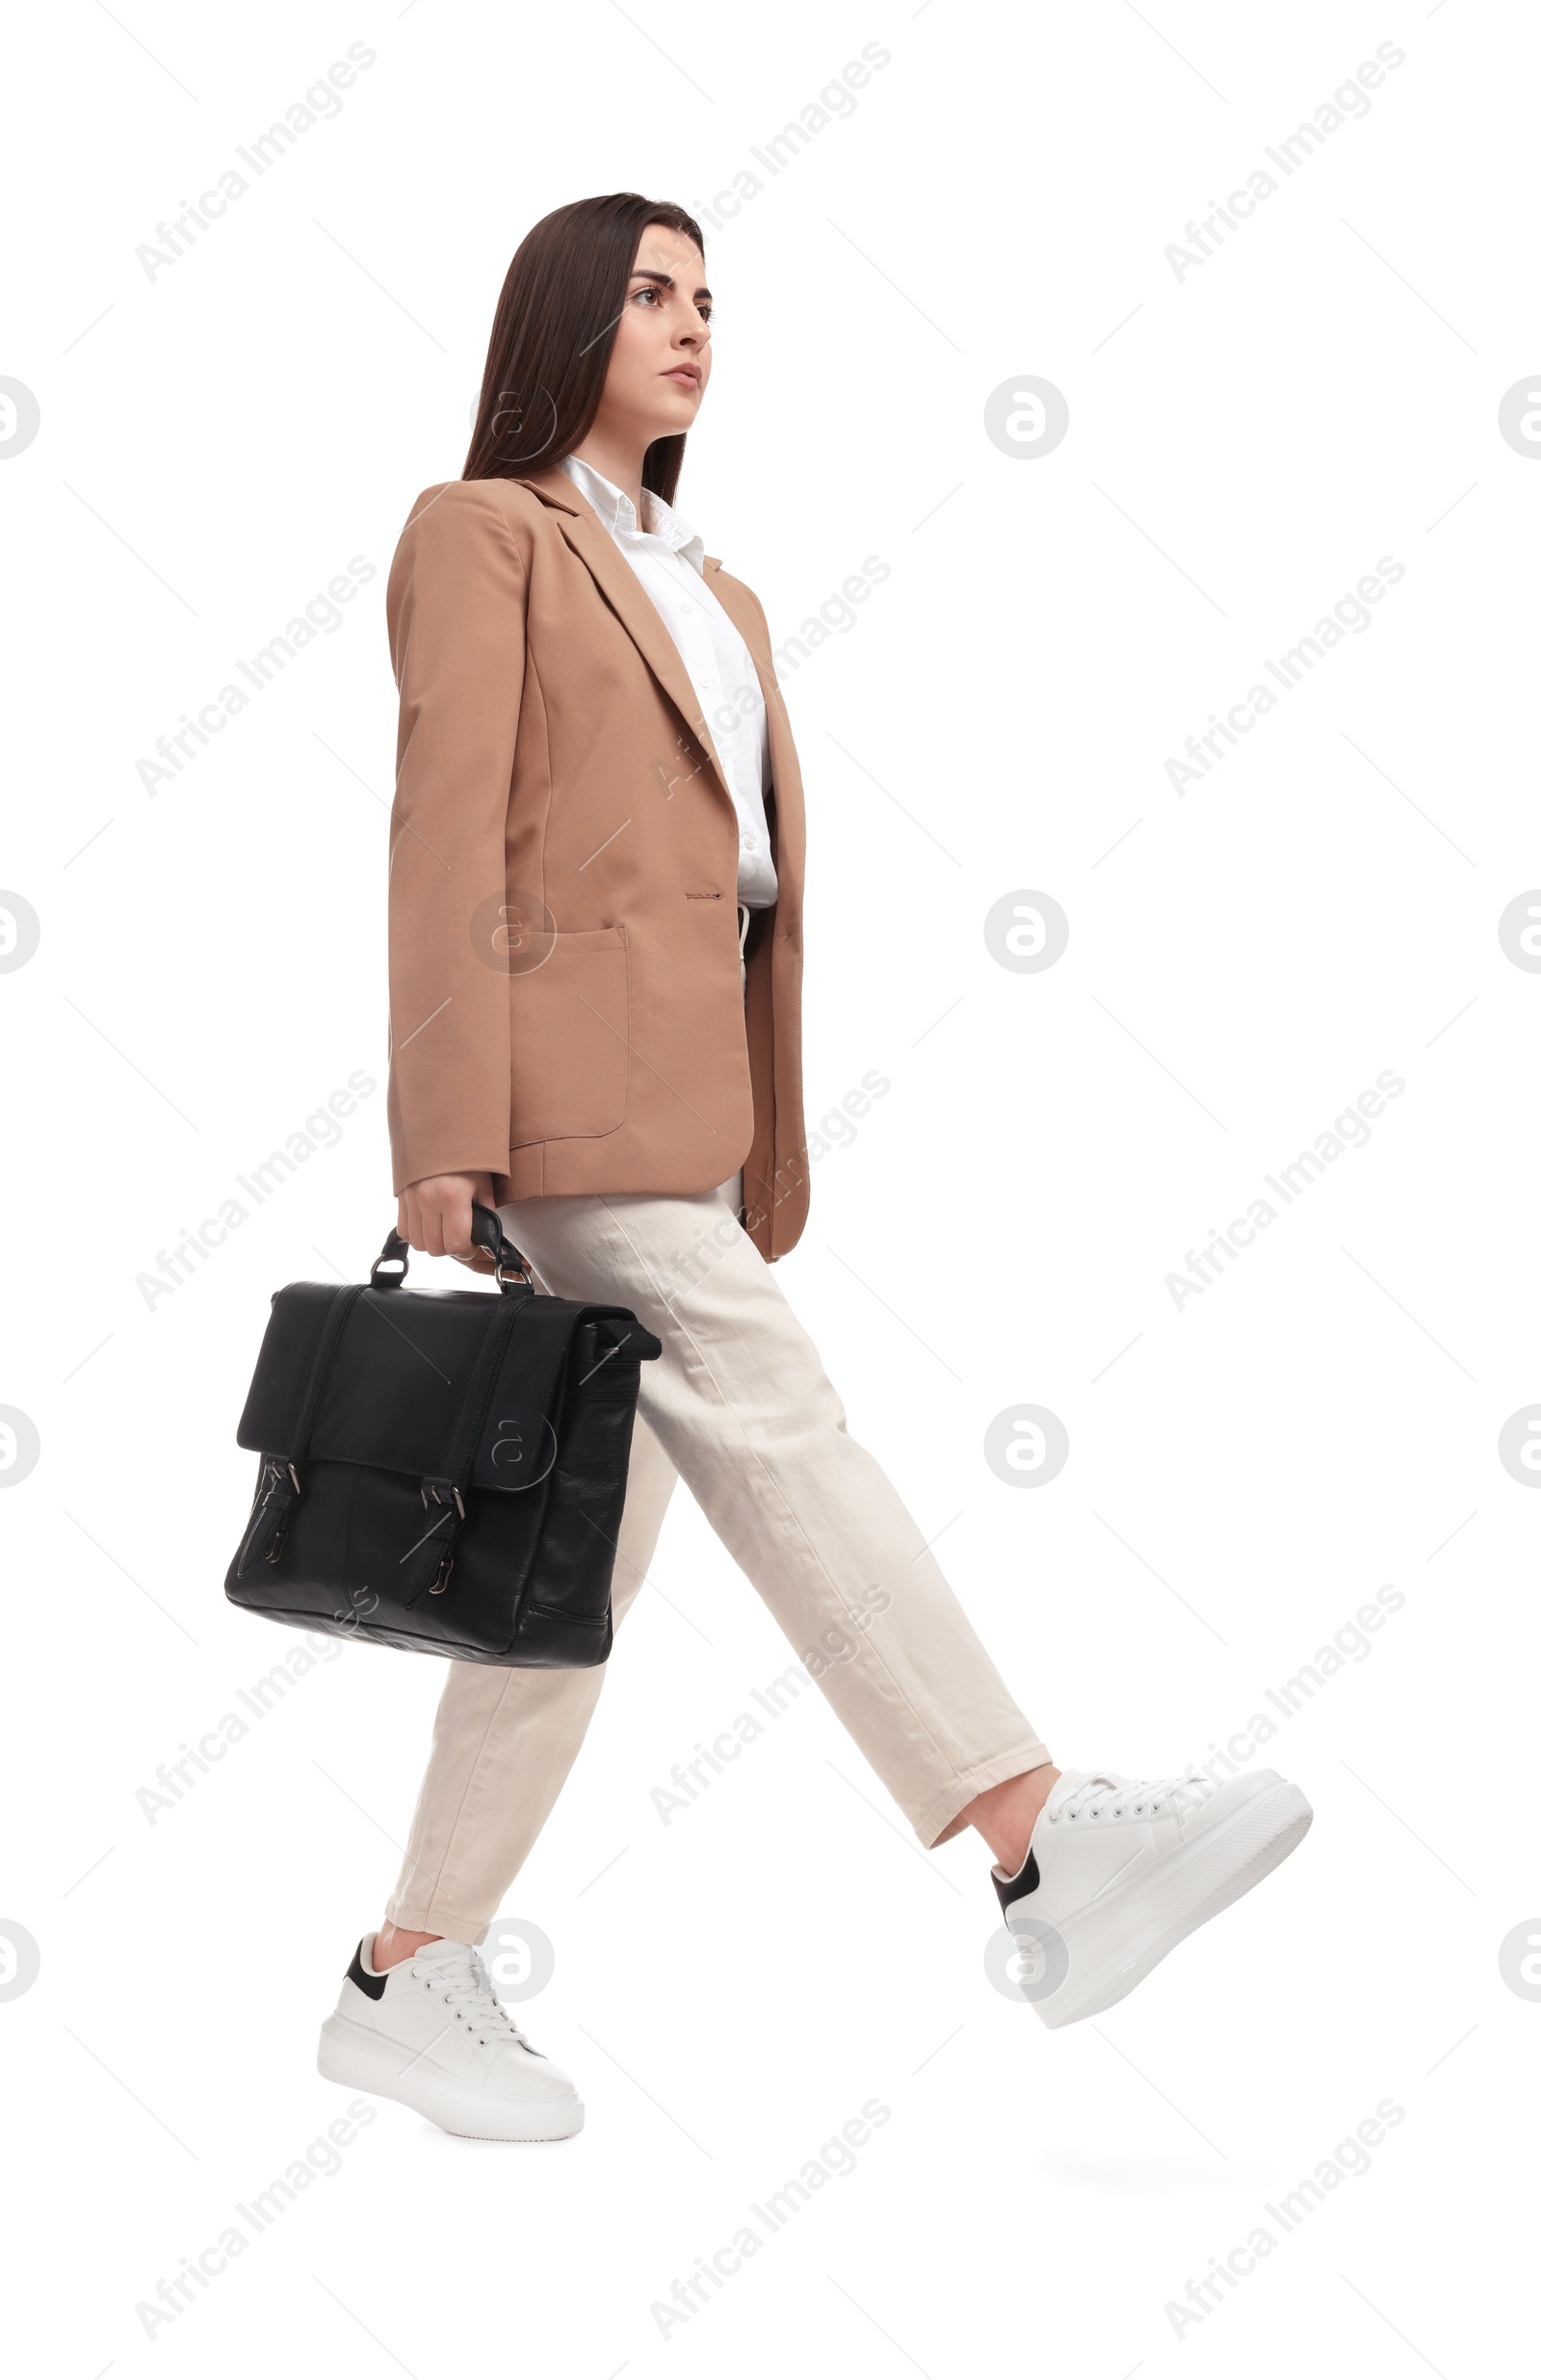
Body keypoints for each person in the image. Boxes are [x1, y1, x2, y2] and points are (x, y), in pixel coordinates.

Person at [316, 193, 1312, 2142]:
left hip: (695, 1116)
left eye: (708, 297)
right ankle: (1033, 1838)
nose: (692, 326)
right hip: (561, 1109)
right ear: (558, 323)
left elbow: (743, 887)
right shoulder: (481, 537)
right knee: (781, 1422)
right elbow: (441, 841)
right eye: (649, 293)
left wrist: (764, 1137)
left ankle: (404, 1970)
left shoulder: (720, 586)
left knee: (556, 1576)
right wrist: (444, 1133)